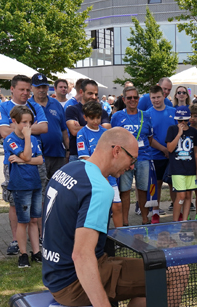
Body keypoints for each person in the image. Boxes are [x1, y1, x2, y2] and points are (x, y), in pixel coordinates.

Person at [42, 127, 193, 307]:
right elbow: (82, 255)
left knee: (154, 271)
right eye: (132, 160)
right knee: (177, 273)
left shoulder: (69, 168)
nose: (132, 167)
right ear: (116, 151)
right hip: (72, 281)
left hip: (55, 274)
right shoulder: (99, 188)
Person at [0, 75, 49, 256]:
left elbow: (44, 128)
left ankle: (39, 239)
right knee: (15, 203)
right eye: (22, 89)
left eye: (28, 89)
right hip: (13, 164)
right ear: (12, 89)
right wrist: (27, 131)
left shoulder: (35, 106)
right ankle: (15, 240)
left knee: (38, 198)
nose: (26, 93)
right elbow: (4, 132)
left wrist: (20, 129)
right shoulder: (2, 107)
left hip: (35, 161)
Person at [5, 106, 44, 267]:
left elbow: (40, 160)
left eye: (30, 122)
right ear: (14, 122)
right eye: (24, 122)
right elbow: (29, 155)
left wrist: (21, 160)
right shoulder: (10, 139)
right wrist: (27, 139)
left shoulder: (34, 140)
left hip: (35, 182)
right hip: (21, 185)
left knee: (34, 219)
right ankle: (23, 254)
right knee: (23, 220)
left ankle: (36, 252)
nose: (28, 126)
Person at [76, 100, 122, 228]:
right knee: (101, 209)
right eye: (92, 118)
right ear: (85, 117)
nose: (96, 121)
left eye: (98, 117)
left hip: (109, 177)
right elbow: (85, 157)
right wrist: (101, 174)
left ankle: (122, 236)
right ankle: (101, 236)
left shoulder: (106, 133)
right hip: (95, 178)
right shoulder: (82, 133)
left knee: (117, 205)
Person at [111, 85, 152, 226]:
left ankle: (145, 219)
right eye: (129, 98)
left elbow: (150, 138)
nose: (132, 100)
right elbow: (113, 139)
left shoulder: (145, 116)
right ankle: (125, 221)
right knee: (125, 190)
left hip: (143, 158)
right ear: (124, 99)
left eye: (135, 97)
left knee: (143, 189)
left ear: (139, 99)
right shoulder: (117, 116)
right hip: (125, 160)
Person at [28, 74, 69, 190]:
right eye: (38, 87)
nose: (41, 90)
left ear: (48, 87)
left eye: (44, 87)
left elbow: (64, 130)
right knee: (40, 189)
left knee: (58, 189)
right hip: (38, 155)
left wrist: (68, 150)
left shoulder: (55, 103)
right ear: (32, 88)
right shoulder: (27, 106)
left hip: (58, 154)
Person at [144, 84, 177, 223]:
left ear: (163, 96)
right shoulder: (147, 114)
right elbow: (148, 137)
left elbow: (177, 132)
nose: (156, 100)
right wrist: (164, 149)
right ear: (150, 98)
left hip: (172, 154)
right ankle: (155, 212)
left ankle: (177, 210)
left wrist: (170, 149)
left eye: (158, 97)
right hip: (155, 154)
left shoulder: (173, 111)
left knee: (173, 184)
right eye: (153, 98)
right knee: (156, 184)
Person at [166, 105, 197, 221]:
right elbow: (170, 148)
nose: (183, 122)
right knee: (181, 196)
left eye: (185, 120)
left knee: (188, 196)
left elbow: (195, 150)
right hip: (177, 169)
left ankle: (185, 221)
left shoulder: (193, 131)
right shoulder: (172, 129)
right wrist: (179, 134)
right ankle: (176, 221)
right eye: (180, 120)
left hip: (190, 168)